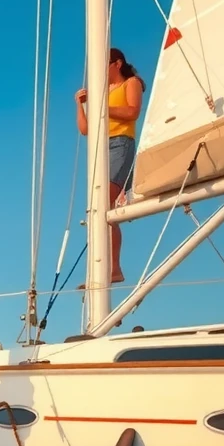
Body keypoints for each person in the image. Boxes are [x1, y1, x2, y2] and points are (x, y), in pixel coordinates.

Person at [74, 46, 146, 284]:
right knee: (101, 209)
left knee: (105, 204)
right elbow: (85, 129)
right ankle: (110, 269)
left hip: (120, 145)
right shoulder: (100, 93)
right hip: (99, 149)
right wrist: (80, 105)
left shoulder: (132, 83)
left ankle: (114, 268)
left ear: (117, 64)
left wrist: (103, 108)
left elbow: (132, 111)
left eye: (104, 64)